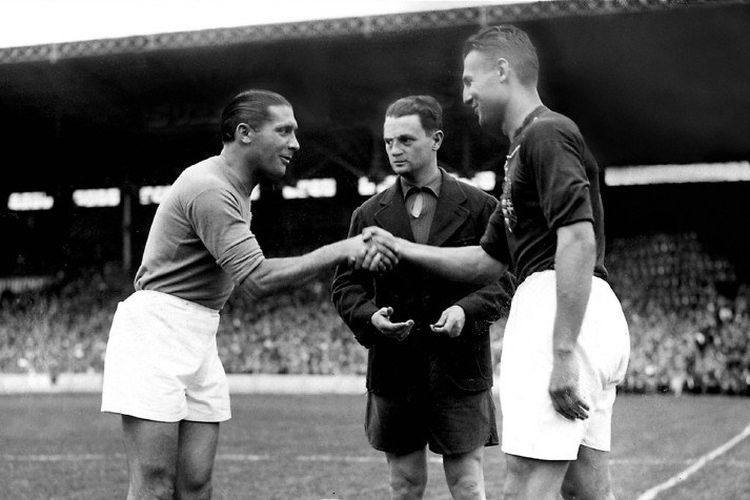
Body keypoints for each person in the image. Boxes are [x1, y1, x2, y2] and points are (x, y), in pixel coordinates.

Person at [362, 26, 630, 500]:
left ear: (502, 71)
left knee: (525, 484)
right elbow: (486, 261)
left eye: (470, 80)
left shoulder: (546, 133)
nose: (466, 95)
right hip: (583, 307)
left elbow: (579, 238)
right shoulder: (523, 149)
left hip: (557, 306)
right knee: (586, 487)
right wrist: (401, 247)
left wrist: (562, 351)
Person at [100, 89, 393, 500]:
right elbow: (255, 280)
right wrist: (342, 249)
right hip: (157, 331)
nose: (296, 143)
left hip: (199, 329)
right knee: (154, 485)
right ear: (245, 133)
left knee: (196, 483)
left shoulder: (235, 189)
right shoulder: (210, 188)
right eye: (284, 130)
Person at [331, 95, 514, 500]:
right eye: (388, 142)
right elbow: (345, 287)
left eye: (406, 140)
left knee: (467, 483)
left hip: (459, 367)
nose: (394, 150)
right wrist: (370, 317)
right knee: (404, 484)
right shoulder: (367, 215)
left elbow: (503, 280)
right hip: (395, 369)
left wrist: (465, 311)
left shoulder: (481, 206)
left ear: (436, 139)